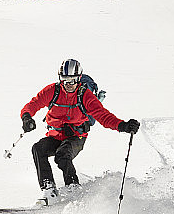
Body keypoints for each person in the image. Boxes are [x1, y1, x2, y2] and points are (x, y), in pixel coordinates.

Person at [20, 58, 140, 205]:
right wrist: (27, 118)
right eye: (65, 80)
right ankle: (49, 190)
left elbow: (103, 116)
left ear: (79, 79)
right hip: (55, 135)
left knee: (62, 155)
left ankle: (74, 190)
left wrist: (123, 125)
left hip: (76, 137)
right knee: (38, 148)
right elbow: (33, 104)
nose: (69, 84)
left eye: (73, 80)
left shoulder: (85, 96)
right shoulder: (52, 91)